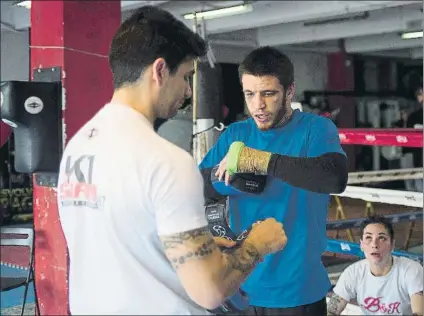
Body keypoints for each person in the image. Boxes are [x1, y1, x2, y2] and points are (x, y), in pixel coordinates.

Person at [56, 7, 288, 315]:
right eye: (186, 77)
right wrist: (258, 243)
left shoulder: (78, 147)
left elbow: (124, 241)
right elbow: (210, 290)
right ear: (160, 70)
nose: (189, 90)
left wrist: (199, 252)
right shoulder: (166, 161)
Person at [199, 46, 348, 316]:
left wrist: (262, 161)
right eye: (250, 94)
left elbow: (335, 176)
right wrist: (225, 180)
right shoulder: (236, 134)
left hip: (297, 291)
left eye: (268, 93)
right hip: (240, 286)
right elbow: (195, 186)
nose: (258, 105)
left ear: (289, 91)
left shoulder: (315, 129)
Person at [327, 215, 423, 315]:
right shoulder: (353, 273)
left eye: (382, 238)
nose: (374, 245)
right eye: (368, 237)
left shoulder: (411, 270)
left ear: (392, 245)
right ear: (361, 245)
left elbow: (419, 312)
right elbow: (331, 311)